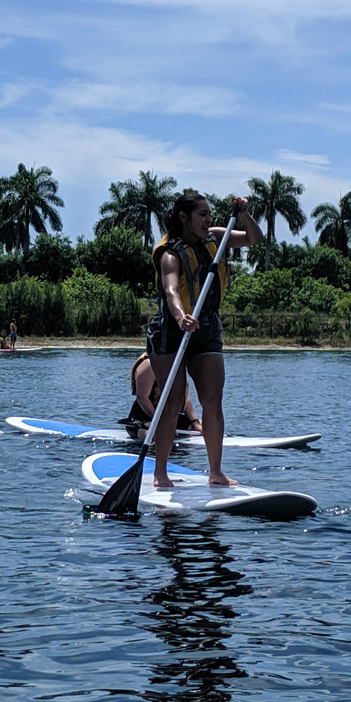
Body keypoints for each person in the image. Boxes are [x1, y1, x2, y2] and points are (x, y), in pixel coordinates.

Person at [146, 192, 263, 488]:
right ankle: (160, 473)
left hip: (207, 327)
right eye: (202, 214)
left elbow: (254, 238)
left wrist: (244, 213)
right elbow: (171, 290)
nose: (208, 220)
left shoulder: (216, 237)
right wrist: (181, 316)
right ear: (184, 218)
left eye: (210, 214)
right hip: (172, 330)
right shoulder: (170, 253)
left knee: (212, 400)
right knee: (173, 401)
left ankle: (216, 472)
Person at [121, 351, 203, 440]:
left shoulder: (176, 364)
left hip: (170, 416)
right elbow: (142, 397)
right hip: (145, 418)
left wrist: (195, 422)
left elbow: (184, 397)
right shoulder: (149, 365)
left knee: (208, 426)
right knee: (161, 435)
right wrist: (160, 422)